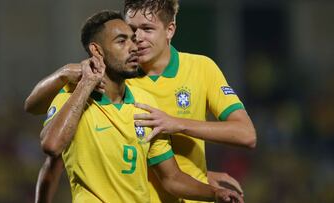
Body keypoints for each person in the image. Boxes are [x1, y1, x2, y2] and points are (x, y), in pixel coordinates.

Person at [25, 1, 256, 202]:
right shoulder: (112, 80)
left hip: (192, 196)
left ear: (170, 30)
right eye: (131, 30)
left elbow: (246, 134)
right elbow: (39, 119)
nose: (137, 38)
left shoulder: (200, 68)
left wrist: (177, 126)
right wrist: (66, 72)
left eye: (147, 29)